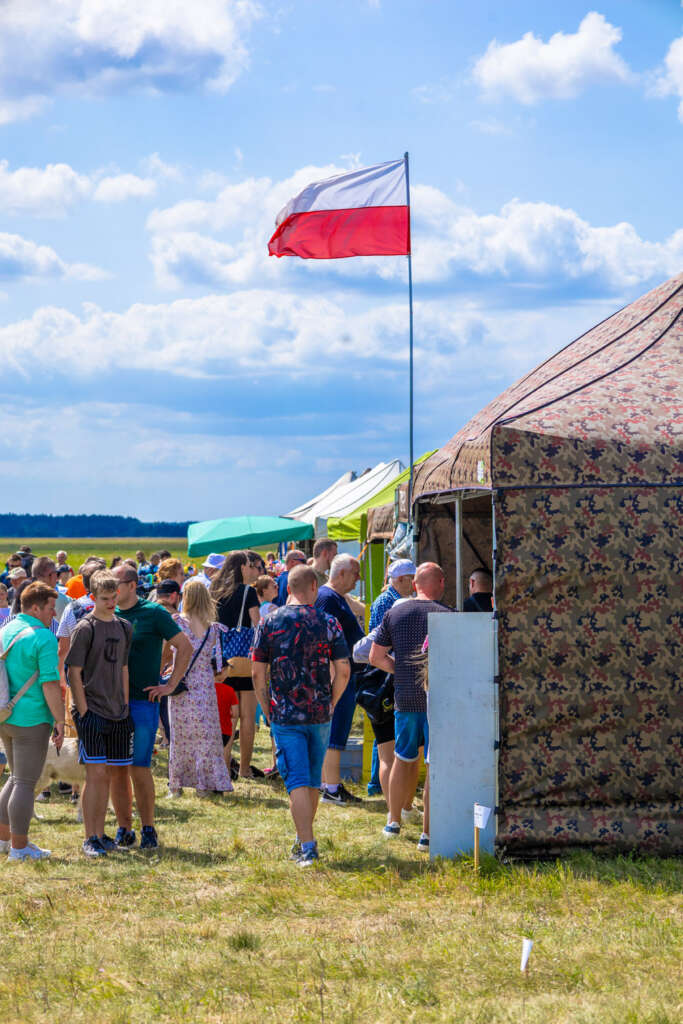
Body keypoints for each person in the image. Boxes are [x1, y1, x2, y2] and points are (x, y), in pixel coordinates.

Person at [252, 564, 350, 865]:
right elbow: (344, 670)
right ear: (313, 588)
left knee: (296, 779)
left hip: (285, 713)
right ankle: (303, 837)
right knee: (311, 779)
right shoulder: (329, 621)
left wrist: (267, 708)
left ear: (288, 589)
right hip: (320, 711)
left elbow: (257, 672)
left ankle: (307, 845)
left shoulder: (269, 622)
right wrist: (332, 701)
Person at [110, 564, 193, 849]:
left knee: (139, 767)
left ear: (132, 585)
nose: (112, 589)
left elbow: (185, 647)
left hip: (143, 702)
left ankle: (148, 828)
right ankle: (123, 828)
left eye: (116, 583)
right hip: (111, 704)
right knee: (116, 769)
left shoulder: (154, 612)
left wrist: (169, 685)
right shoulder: (105, 613)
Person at [370, 562, 451, 845]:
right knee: (434, 764)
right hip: (437, 701)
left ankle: (393, 822)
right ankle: (427, 833)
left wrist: (401, 669)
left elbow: (375, 657)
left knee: (402, 760)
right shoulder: (448, 616)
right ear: (440, 583)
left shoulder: (395, 612)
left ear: (415, 584)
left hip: (405, 698)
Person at [65, 570, 134, 858]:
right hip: (92, 711)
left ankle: (103, 833)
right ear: (92, 597)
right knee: (94, 775)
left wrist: (125, 705)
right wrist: (82, 709)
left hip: (118, 712)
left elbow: (123, 669)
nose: (110, 603)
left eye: (113, 597)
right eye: (104, 598)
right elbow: (73, 672)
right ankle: (90, 837)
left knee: (111, 775)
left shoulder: (124, 627)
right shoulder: (84, 628)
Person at [146, 579, 232, 798]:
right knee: (207, 736)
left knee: (180, 737)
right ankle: (206, 784)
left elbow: (166, 654)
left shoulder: (178, 623)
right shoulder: (213, 628)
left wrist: (159, 673)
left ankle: (176, 785)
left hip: (181, 683)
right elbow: (218, 666)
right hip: (205, 685)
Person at [0, 582, 65, 860]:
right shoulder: (44, 637)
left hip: (6, 714)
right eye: (51, 608)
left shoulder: (6, 629)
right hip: (33, 719)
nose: (55, 614)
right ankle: (19, 847)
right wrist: (60, 721)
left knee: (15, 779)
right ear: (36, 607)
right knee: (25, 783)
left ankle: (4, 840)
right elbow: (50, 684)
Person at [315, 554, 364, 805]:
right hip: (338, 675)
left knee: (337, 731)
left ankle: (329, 785)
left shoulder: (334, 597)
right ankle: (331, 788)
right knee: (335, 732)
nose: (358, 579)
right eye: (355, 573)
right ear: (341, 573)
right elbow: (324, 640)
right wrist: (336, 677)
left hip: (342, 672)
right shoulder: (327, 598)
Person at [366, 559, 417, 794]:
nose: (414, 584)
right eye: (412, 579)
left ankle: (379, 784)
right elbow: (380, 640)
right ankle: (378, 784)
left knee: (385, 733)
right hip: (385, 670)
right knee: (385, 732)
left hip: (386, 668)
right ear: (402, 580)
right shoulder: (388, 602)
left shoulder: (389, 600)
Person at [210, 551, 262, 779]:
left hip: (220, 658)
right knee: (247, 716)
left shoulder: (214, 590)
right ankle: (244, 768)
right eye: (251, 565)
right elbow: (257, 622)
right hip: (243, 657)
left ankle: (224, 764)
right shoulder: (248, 592)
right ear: (242, 566)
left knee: (227, 715)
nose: (253, 569)